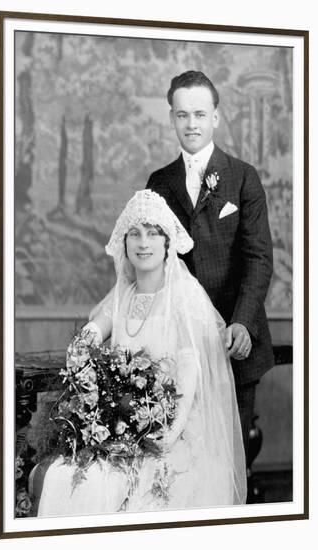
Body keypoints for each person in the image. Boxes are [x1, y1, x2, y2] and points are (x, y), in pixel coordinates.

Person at [35, 189, 246, 517]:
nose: (143, 243)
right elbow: (98, 326)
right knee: (70, 478)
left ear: (166, 245)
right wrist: (86, 340)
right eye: (135, 234)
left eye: (152, 234)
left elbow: (189, 375)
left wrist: (170, 430)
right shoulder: (123, 294)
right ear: (125, 243)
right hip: (123, 422)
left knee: (136, 490)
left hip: (173, 427)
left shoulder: (183, 297)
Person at [146, 70, 274, 463]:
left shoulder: (242, 178)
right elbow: (152, 261)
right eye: (182, 115)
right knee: (183, 461)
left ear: (215, 117)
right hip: (178, 343)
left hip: (235, 339)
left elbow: (259, 258)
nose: (191, 124)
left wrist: (242, 322)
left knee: (231, 460)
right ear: (171, 118)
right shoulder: (159, 182)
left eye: (200, 114)